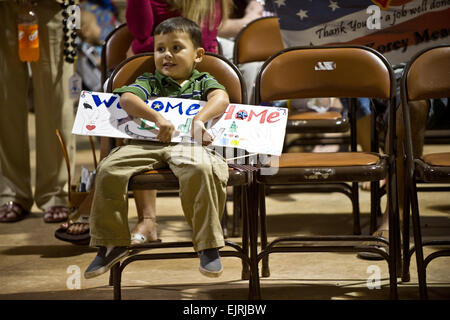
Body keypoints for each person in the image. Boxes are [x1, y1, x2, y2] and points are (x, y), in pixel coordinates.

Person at [84, 17, 230, 279]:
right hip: (145, 143)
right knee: (108, 168)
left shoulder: (203, 81)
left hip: (187, 144)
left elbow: (221, 98)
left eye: (176, 48)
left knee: (202, 167)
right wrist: (157, 118)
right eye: (160, 49)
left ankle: (208, 245)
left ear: (198, 55)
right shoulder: (150, 80)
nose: (167, 55)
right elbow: (128, 99)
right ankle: (111, 243)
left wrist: (199, 119)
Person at [0, 0, 75, 223]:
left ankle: (56, 192)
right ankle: (11, 191)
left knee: (57, 102)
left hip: (53, 6)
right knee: (5, 101)